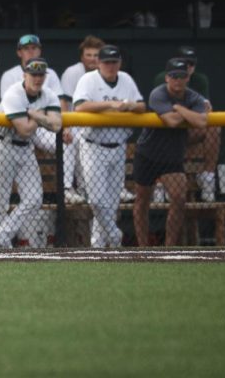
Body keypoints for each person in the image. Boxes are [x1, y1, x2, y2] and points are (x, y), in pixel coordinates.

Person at [73, 44, 146, 247]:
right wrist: (111, 105)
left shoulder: (126, 80)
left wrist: (131, 105)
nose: (110, 66)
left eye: (114, 62)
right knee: (97, 200)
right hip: (93, 146)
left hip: (118, 145)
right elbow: (80, 106)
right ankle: (114, 236)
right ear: (98, 63)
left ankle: (100, 244)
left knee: (111, 204)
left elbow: (142, 105)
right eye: (106, 62)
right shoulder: (88, 79)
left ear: (120, 63)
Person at [133, 58, 208, 246]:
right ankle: (143, 249)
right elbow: (172, 122)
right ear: (167, 78)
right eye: (174, 76)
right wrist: (186, 114)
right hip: (148, 152)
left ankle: (168, 247)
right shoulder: (157, 94)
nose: (178, 81)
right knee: (142, 201)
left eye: (182, 76)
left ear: (187, 78)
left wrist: (178, 108)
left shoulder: (193, 97)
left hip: (172, 155)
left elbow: (202, 122)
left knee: (179, 198)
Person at [0, 58, 62, 248]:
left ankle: (0, 238)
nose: (37, 79)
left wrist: (35, 114)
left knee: (34, 199)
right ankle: (2, 246)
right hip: (3, 145)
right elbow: (25, 129)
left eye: (40, 75)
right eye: (33, 74)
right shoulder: (14, 93)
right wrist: (43, 116)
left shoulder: (49, 94)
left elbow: (56, 125)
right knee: (1, 202)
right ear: (25, 75)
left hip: (26, 148)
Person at [154, 45, 219, 202]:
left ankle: (208, 177)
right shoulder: (163, 77)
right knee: (157, 130)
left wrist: (182, 110)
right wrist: (188, 111)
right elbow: (166, 114)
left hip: (189, 131)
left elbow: (204, 111)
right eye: (185, 63)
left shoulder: (200, 80)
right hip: (167, 132)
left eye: (192, 64)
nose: (189, 67)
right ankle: (159, 184)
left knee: (214, 126)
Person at [59, 35, 105, 205]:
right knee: (72, 141)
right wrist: (66, 128)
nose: (92, 59)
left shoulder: (106, 73)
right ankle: (67, 188)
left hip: (98, 126)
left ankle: (89, 189)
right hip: (75, 124)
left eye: (96, 55)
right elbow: (64, 102)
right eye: (89, 55)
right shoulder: (73, 72)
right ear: (82, 57)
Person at [0, 34, 68, 108]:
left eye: (34, 48)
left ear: (39, 51)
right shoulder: (9, 75)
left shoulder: (50, 73)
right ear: (19, 53)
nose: (30, 51)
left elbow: (61, 102)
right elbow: (8, 105)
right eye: (26, 48)